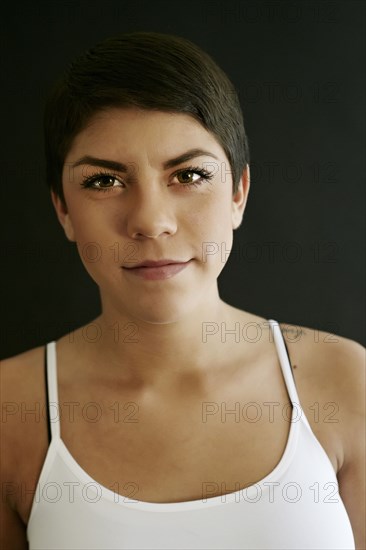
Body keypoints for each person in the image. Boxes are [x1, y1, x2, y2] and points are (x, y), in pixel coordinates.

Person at [0, 31, 364, 550]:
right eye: (104, 181)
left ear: (238, 193)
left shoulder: (343, 381)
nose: (150, 222)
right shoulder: (10, 410)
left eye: (188, 174)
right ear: (63, 209)